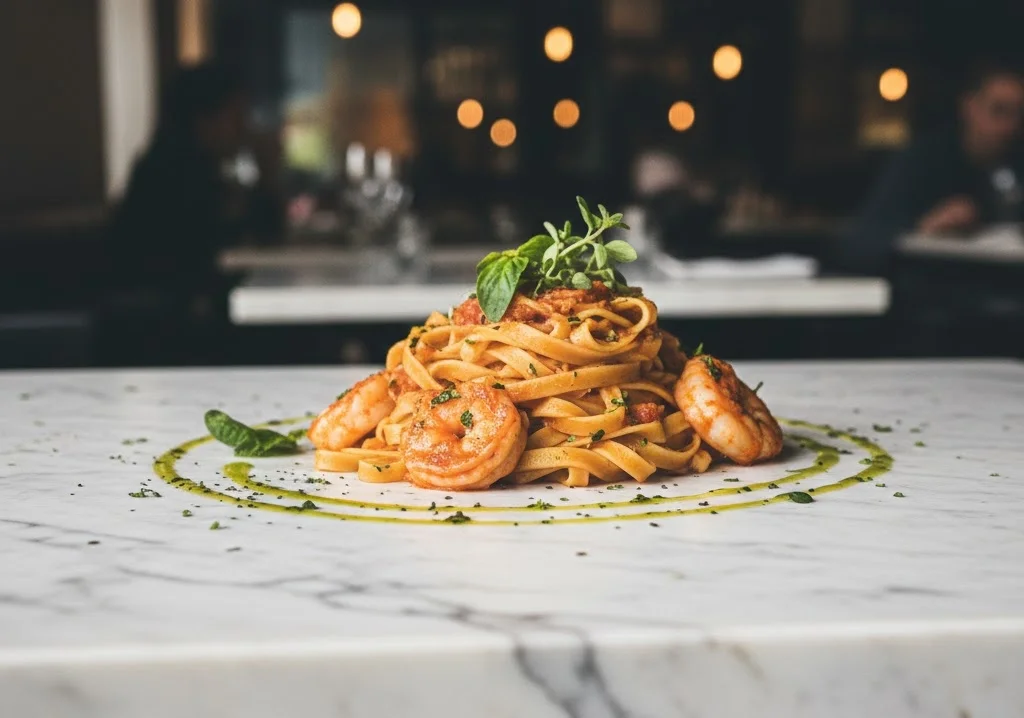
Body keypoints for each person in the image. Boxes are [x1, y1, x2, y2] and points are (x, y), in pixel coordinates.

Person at [103, 62, 280, 364]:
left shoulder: (182, 163)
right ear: (204, 118)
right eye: (236, 117)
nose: (244, 129)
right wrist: (267, 172)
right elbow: (240, 238)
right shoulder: (176, 171)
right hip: (167, 325)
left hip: (175, 310)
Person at [845, 61, 1024, 271]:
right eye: (999, 111)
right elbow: (858, 244)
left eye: (1018, 115)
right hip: (930, 290)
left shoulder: (1015, 163)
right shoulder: (922, 162)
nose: (1009, 127)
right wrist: (925, 226)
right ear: (969, 106)